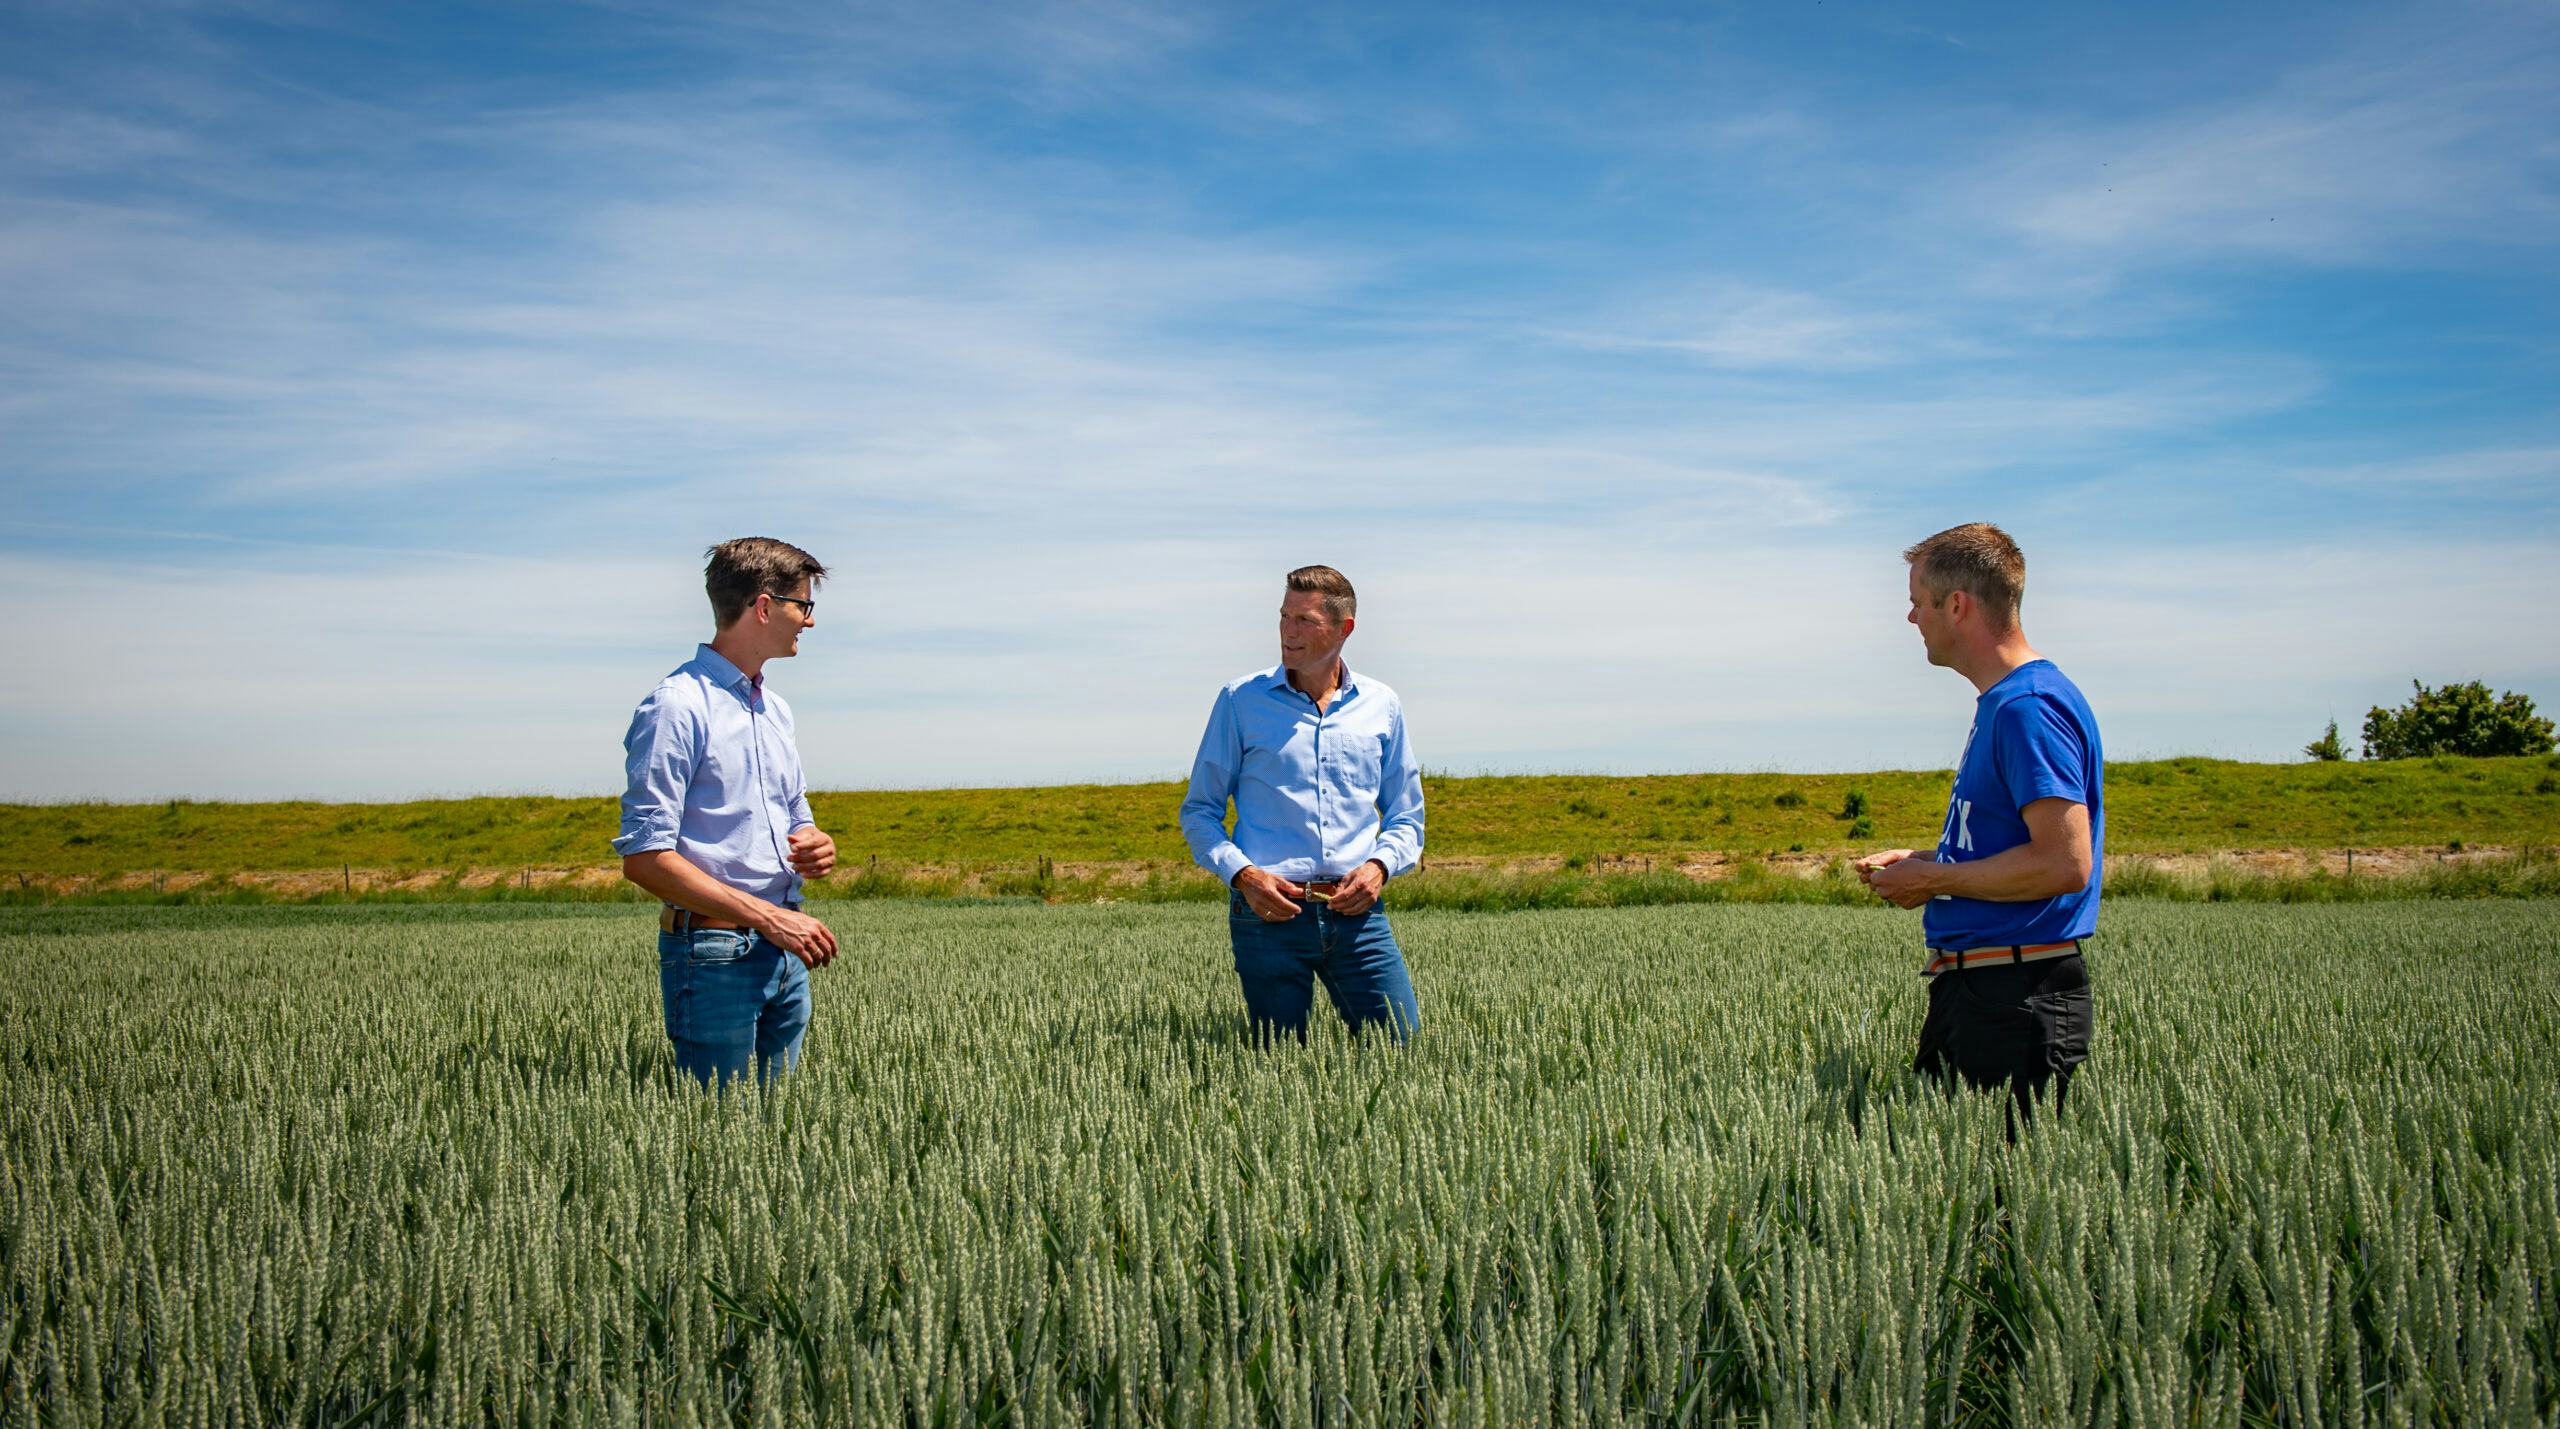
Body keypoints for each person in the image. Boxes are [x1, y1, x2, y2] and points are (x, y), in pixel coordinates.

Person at [1855, 523, 2100, 1116]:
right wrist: (1926, 862)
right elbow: (2011, 846)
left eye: (1918, 602)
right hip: (1980, 992)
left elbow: (2064, 863)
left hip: (2015, 999)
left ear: (1957, 605)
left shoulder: (2027, 707)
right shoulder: (2006, 703)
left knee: (2000, 1202)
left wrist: (1935, 880)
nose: (1912, 619)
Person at [615, 538, 842, 1088]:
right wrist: (768, 917)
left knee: (776, 1138)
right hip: (716, 957)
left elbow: (795, 812)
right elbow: (645, 859)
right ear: (763, 607)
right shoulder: (676, 706)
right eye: (802, 606)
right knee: (720, 1140)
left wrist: (814, 840)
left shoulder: (774, 709)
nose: (808, 622)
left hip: (787, 951)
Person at [1181, 565, 1425, 1042]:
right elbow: (1199, 811)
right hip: (1267, 914)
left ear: (1343, 628)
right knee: (1279, 1066)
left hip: (1357, 916)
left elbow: (1406, 816)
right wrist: (1244, 876)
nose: (1287, 631)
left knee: (1401, 1048)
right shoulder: (1240, 700)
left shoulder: (1382, 705)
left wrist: (1377, 868)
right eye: (1284, 616)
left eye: (1305, 620)